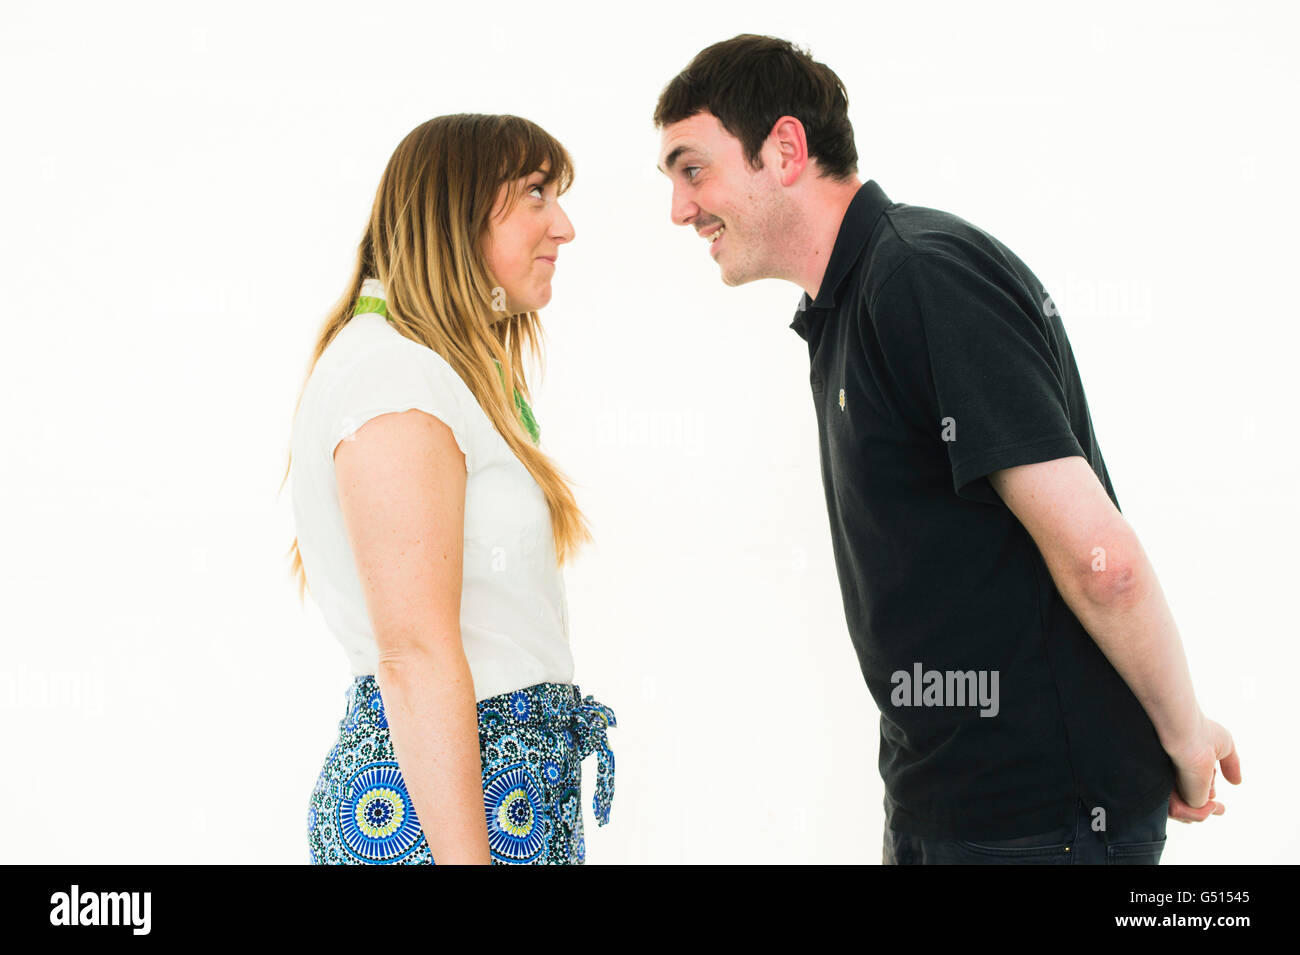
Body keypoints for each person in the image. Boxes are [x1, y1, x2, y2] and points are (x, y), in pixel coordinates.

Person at [652, 34, 1241, 864]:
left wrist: (1182, 741)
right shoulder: (849, 305)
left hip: (1045, 823)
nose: (680, 208)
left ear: (784, 148)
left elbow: (1104, 562)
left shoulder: (920, 276)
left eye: (692, 169)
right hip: (946, 812)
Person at [281, 114, 616, 865]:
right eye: (536, 193)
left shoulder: (428, 370)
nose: (563, 226)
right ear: (455, 214)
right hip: (447, 819)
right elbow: (415, 654)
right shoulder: (392, 375)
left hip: (483, 803)